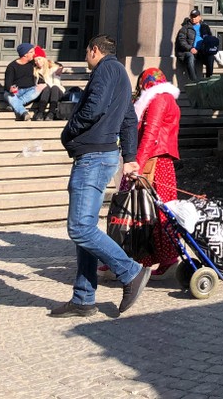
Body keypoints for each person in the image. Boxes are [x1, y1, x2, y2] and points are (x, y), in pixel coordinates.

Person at [52, 34, 150, 318]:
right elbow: (129, 120)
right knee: (86, 229)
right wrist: (130, 158)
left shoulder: (106, 68)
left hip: (93, 157)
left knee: (80, 228)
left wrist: (69, 131)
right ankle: (83, 298)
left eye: (86, 52)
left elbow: (93, 108)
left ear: (94, 50)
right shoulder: (120, 74)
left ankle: (130, 271)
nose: (86, 57)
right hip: (102, 155)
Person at [129, 66, 181, 276]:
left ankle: (165, 258)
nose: (140, 88)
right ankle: (150, 257)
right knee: (153, 211)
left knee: (155, 212)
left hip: (154, 162)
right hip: (159, 161)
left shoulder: (158, 100)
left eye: (141, 83)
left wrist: (138, 166)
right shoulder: (166, 98)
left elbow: (151, 134)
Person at [3, 42, 44, 121]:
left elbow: (44, 59)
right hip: (15, 92)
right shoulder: (12, 66)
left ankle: (13, 105)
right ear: (25, 54)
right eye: (31, 52)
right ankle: (23, 113)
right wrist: (11, 89)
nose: (34, 54)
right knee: (9, 95)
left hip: (29, 90)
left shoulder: (32, 63)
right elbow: (7, 84)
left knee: (39, 88)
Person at [174, 9, 217, 82]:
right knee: (190, 56)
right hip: (187, 51)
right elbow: (181, 41)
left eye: (195, 17)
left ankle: (208, 79)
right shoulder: (185, 28)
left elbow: (209, 39)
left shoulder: (205, 27)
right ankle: (194, 81)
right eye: (192, 17)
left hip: (201, 51)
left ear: (199, 17)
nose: (193, 18)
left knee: (211, 57)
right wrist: (190, 48)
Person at [32, 47, 66, 120]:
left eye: (39, 59)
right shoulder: (36, 71)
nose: (37, 62)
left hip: (57, 92)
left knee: (54, 87)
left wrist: (58, 72)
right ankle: (40, 112)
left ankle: (51, 112)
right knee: (46, 88)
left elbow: (56, 83)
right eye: (35, 61)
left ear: (44, 58)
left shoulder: (54, 68)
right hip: (45, 93)